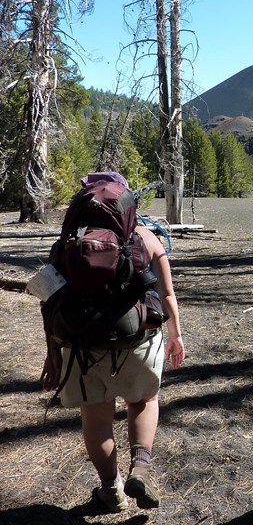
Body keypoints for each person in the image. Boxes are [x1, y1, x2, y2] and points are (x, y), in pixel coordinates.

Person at [40, 175, 185, 514]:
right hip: (137, 340)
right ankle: (140, 466)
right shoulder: (145, 238)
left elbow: (49, 305)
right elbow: (166, 294)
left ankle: (111, 490)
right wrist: (176, 334)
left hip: (82, 346)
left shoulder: (65, 247)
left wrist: (52, 354)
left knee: (96, 421)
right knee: (145, 401)